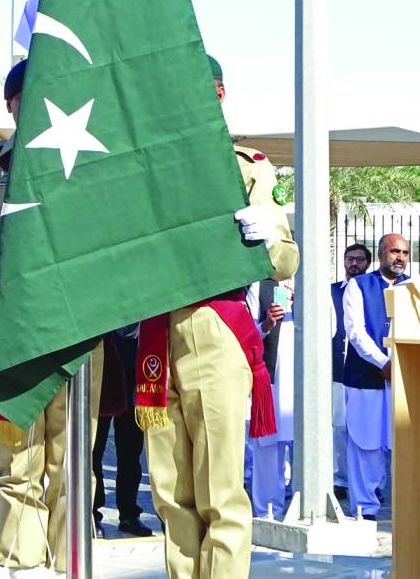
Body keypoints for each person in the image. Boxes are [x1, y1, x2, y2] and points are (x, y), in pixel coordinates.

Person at [141, 55, 300, 579]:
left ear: (218, 95)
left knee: (220, 490)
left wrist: (266, 233)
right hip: (156, 327)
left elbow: (286, 260)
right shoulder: (150, 163)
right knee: (170, 491)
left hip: (214, 324)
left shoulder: (247, 166)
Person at [0, 58, 104, 578]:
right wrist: (7, 303)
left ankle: (69, 566)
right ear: (10, 105)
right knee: (17, 463)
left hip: (77, 333)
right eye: (25, 98)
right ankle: (23, 568)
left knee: (71, 463)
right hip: (11, 336)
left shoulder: (88, 156)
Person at [343, 233, 410, 520]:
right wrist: (383, 363)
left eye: (404, 253)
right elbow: (355, 331)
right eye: (394, 251)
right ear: (382, 254)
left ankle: (404, 506)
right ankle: (365, 508)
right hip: (366, 376)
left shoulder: (412, 286)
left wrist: (398, 365)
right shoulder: (359, 285)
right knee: (365, 442)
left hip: (402, 377)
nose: (400, 258)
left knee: (401, 442)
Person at [91, 323, 152, 537]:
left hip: (135, 356)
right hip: (105, 355)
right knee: (94, 445)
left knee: (131, 446)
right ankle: (92, 511)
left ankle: (129, 513)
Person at [247, 279, 294, 519]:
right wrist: (267, 324)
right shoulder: (259, 286)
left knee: (306, 445)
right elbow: (247, 334)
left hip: (304, 382)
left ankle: (304, 505)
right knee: (267, 447)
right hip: (271, 378)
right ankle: (267, 510)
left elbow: (332, 330)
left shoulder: (312, 283)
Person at [329, 243, 372, 501]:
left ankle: (369, 483)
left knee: (364, 428)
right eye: (349, 259)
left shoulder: (372, 290)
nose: (354, 264)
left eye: (359, 259)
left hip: (366, 370)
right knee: (338, 426)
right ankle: (340, 479)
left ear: (368, 263)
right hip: (337, 367)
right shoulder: (332, 291)